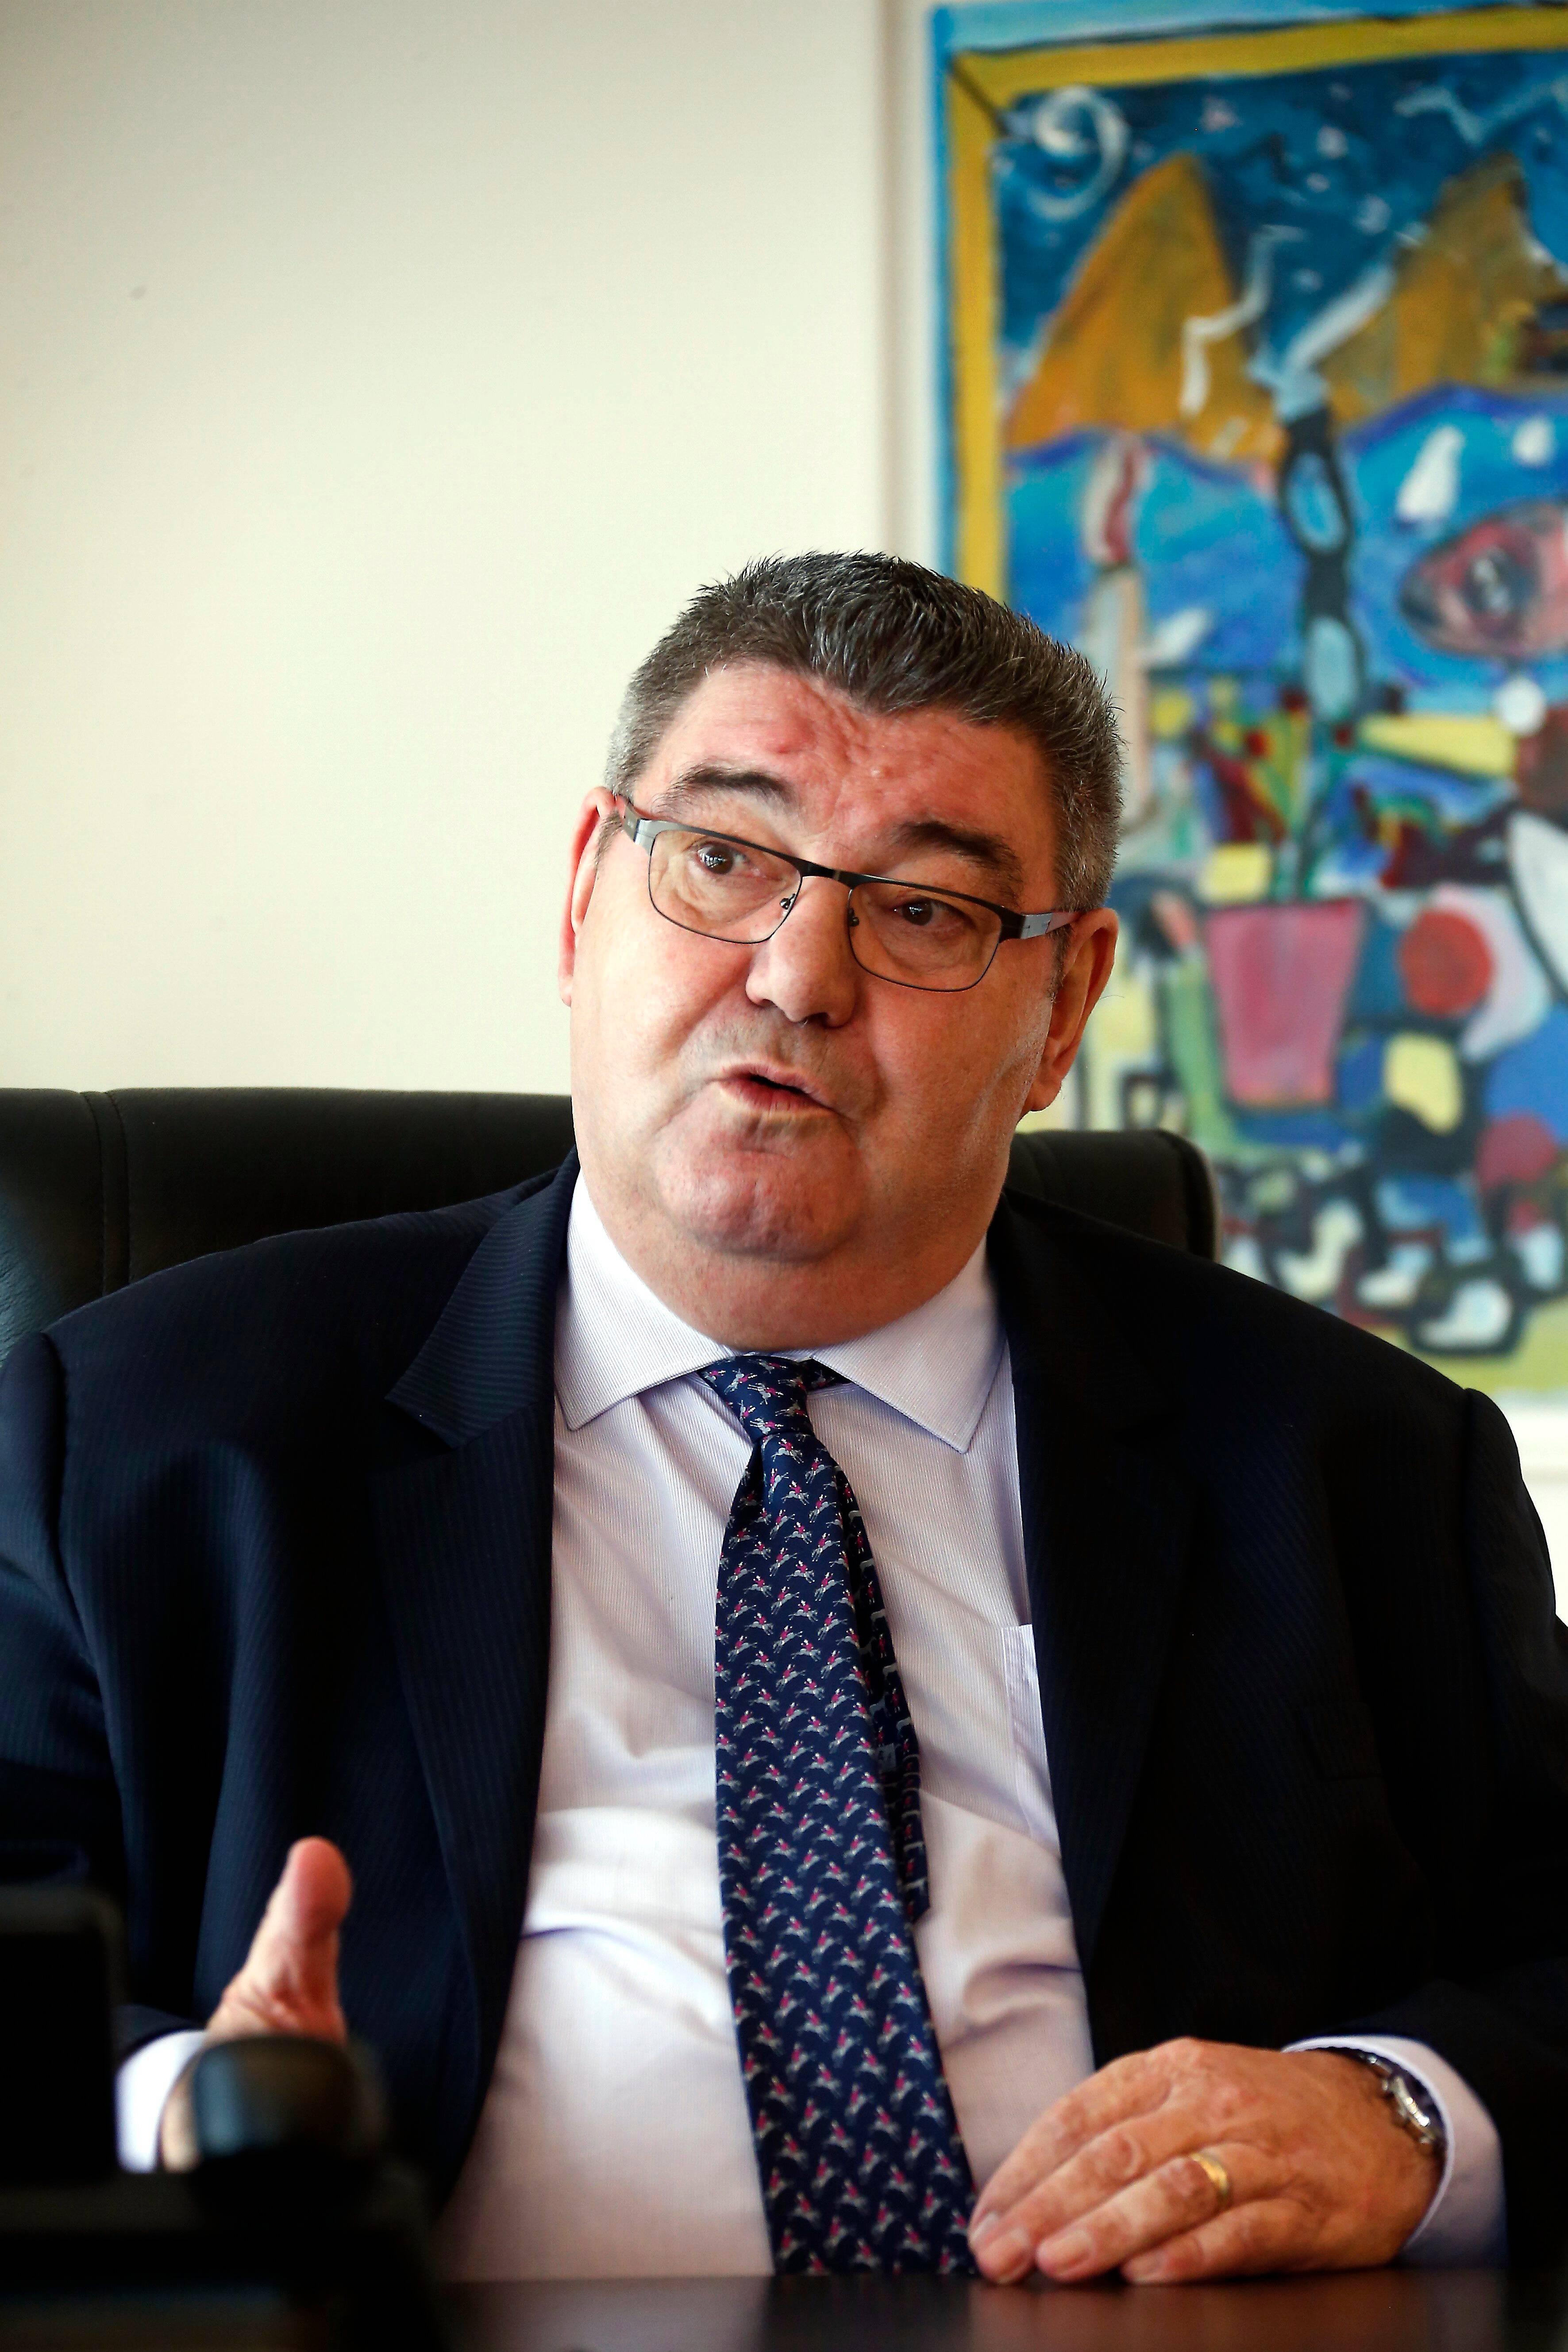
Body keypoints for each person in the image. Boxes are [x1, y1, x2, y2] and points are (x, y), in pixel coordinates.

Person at [0, 554, 1564, 2286]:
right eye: (725, 860)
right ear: (585, 895)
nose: (799, 974)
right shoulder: (141, 1436)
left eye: (926, 911)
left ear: (1061, 1008)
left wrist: (1404, 2113)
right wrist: (189, 2108)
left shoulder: (1360, 1465)